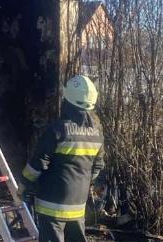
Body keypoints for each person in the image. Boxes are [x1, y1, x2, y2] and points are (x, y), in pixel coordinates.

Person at [19, 75, 105, 242]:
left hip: (51, 204)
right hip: (78, 205)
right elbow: (97, 168)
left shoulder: (57, 130)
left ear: (67, 100)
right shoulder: (97, 134)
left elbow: (37, 165)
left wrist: (24, 184)